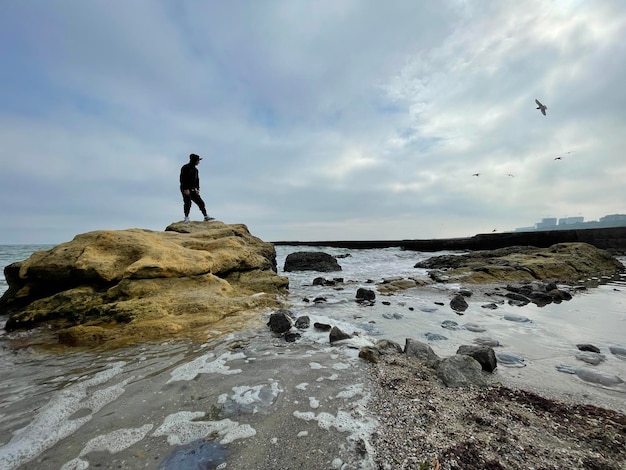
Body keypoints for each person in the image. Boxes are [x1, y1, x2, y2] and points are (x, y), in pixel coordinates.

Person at [179, 153, 215, 223]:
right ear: (194, 160)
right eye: (198, 160)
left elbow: (197, 180)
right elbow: (182, 179)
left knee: (201, 202)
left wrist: (197, 189)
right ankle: (186, 218)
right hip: (185, 188)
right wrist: (185, 189)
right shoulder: (185, 167)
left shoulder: (196, 170)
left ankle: (206, 216)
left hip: (193, 189)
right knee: (188, 203)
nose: (199, 162)